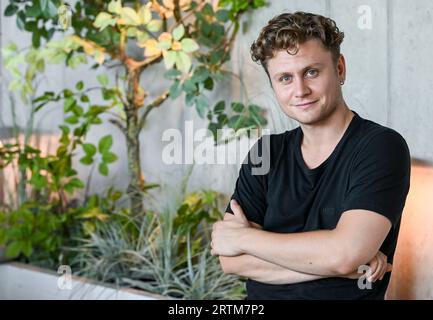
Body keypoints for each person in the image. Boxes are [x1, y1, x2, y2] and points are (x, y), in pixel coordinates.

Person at [210, 11, 411, 300]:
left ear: (339, 69)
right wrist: (336, 264)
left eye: (312, 72)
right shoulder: (266, 153)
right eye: (285, 78)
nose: (300, 90)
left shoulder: (380, 147)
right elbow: (231, 261)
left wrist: (245, 238)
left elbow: (344, 254)